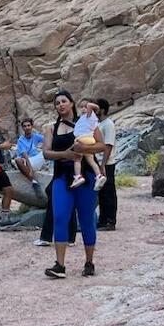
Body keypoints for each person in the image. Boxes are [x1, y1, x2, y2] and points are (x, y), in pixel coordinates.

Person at [42, 90, 105, 277]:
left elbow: (101, 145)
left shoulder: (86, 123)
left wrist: (84, 148)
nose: (60, 105)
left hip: (85, 177)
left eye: (63, 101)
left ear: (71, 103)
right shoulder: (51, 128)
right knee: (60, 217)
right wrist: (65, 155)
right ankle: (59, 265)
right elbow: (46, 153)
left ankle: (89, 262)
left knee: (86, 219)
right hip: (62, 177)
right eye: (57, 103)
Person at [68, 100, 106, 191]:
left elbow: (90, 106)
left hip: (83, 139)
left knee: (77, 159)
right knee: (91, 160)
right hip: (89, 139)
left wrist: (94, 107)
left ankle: (78, 176)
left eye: (85, 107)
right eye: (82, 107)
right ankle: (99, 175)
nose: (84, 109)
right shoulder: (88, 119)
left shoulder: (89, 115)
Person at [96, 99, 118, 230]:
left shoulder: (108, 124)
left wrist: (103, 164)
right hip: (100, 162)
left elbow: (108, 145)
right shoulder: (100, 124)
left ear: (102, 110)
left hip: (107, 163)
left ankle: (110, 221)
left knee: (108, 192)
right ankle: (103, 219)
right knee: (102, 193)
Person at [12, 116, 46, 196]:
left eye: (28, 125)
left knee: (46, 151)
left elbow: (47, 140)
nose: (27, 128)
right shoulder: (21, 140)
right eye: (25, 126)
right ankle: (34, 181)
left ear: (32, 126)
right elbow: (25, 155)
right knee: (17, 160)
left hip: (36, 159)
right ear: (22, 128)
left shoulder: (36, 136)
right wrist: (30, 170)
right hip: (26, 161)